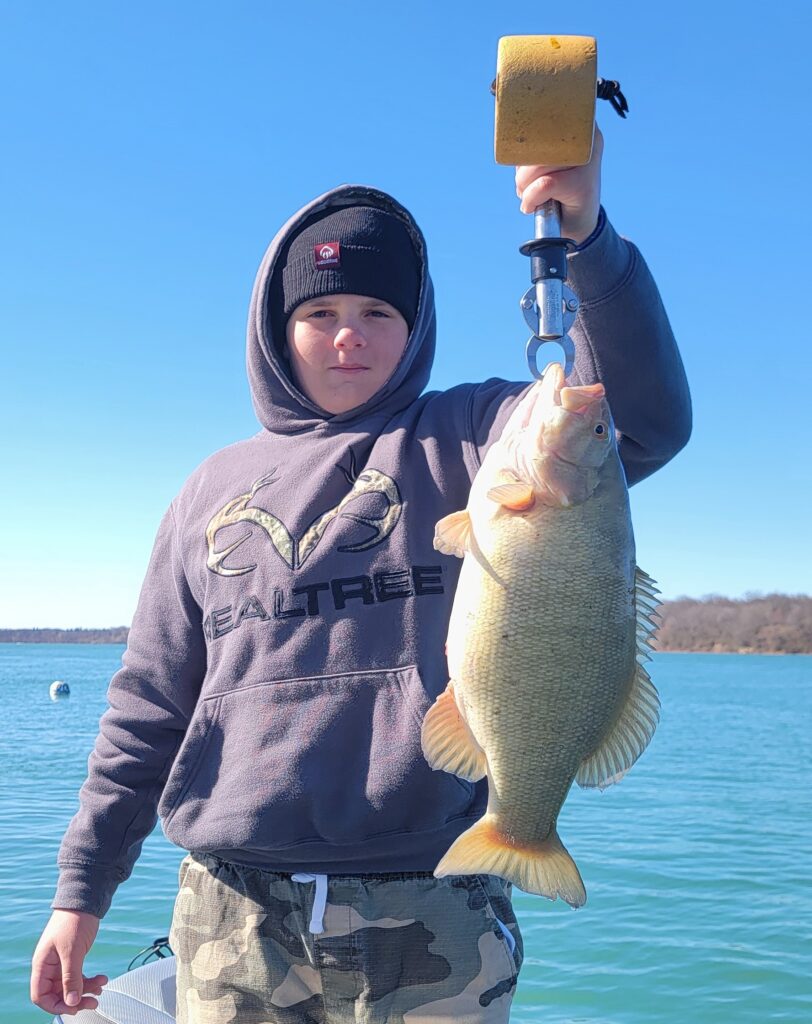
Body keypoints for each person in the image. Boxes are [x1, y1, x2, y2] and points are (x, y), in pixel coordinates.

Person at [30, 126, 691, 1022]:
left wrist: (587, 241)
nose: (349, 337)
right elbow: (148, 704)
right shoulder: (207, 490)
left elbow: (640, 418)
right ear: (277, 327)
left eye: (378, 314)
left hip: (435, 904)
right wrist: (81, 892)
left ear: (415, 328)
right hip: (232, 914)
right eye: (321, 314)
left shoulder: (472, 436)